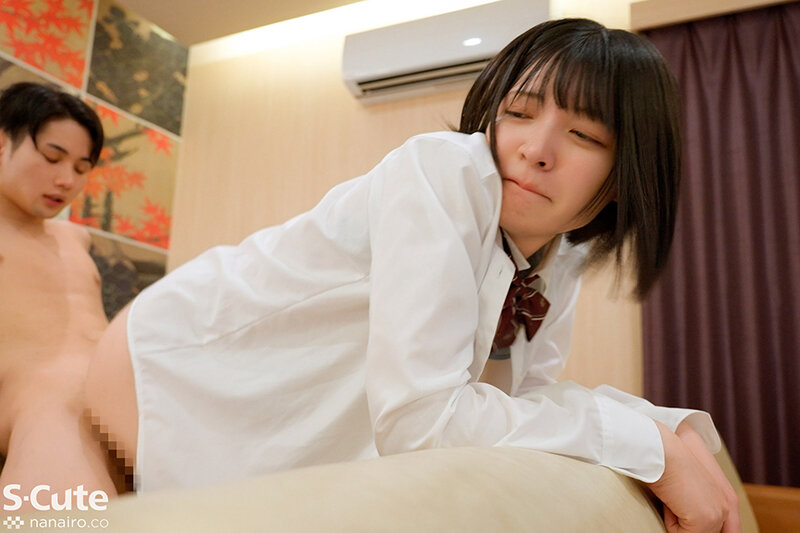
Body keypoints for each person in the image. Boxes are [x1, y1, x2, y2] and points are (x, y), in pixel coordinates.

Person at [85, 19, 739, 532]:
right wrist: (647, 445)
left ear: (624, 176)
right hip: (174, 362)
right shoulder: (446, 171)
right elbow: (419, 418)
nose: (535, 149)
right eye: (520, 111)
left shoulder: (557, 253)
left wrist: (666, 428)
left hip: (248, 396)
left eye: (584, 135)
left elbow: (527, 401)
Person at [0, 82, 117, 505]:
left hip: (127, 394)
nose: (66, 180)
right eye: (52, 158)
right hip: (49, 408)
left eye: (82, 168)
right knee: (61, 409)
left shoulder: (77, 239)